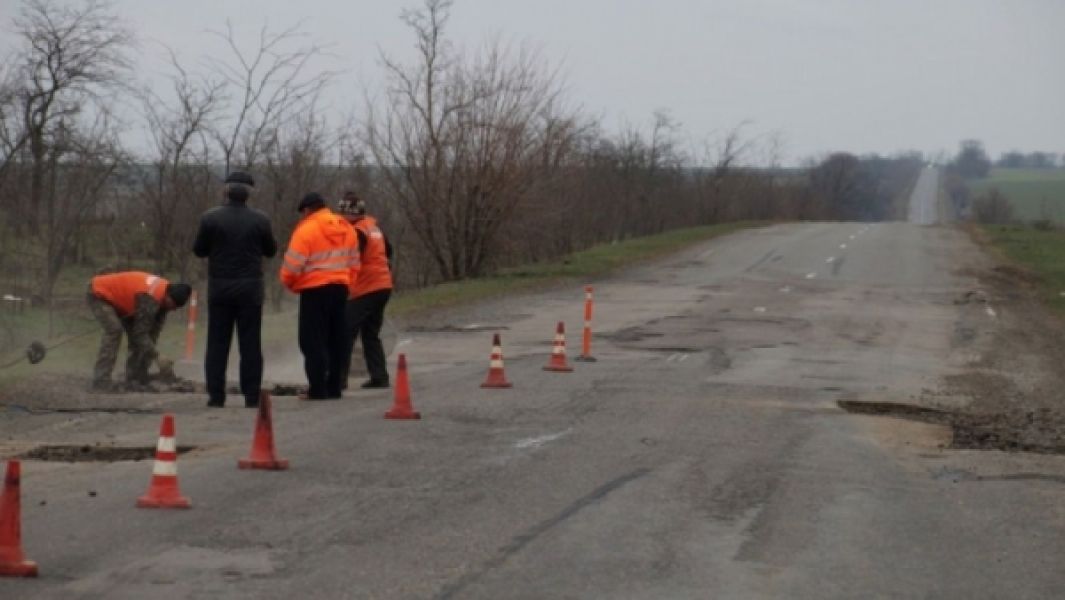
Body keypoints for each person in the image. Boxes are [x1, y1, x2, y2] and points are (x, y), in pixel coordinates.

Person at [192, 171, 278, 408]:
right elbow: (270, 251)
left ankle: (216, 395)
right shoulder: (261, 220)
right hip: (250, 289)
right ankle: (251, 396)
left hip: (220, 288)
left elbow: (199, 250)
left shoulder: (210, 218)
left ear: (226, 192)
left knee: (217, 343)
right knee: (250, 343)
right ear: (249, 194)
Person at [280, 192, 359, 400]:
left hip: (314, 291)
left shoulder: (306, 230)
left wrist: (291, 284)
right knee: (336, 339)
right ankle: (334, 387)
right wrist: (347, 284)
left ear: (307, 210)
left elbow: (292, 266)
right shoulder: (346, 228)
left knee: (312, 341)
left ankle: (317, 388)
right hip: (340, 288)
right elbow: (354, 264)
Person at [87, 271, 191, 391]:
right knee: (114, 330)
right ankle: (101, 381)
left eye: (176, 308)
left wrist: (150, 362)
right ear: (168, 296)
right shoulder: (150, 298)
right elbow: (140, 334)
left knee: (139, 339)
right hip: (99, 292)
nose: (173, 309)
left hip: (126, 302)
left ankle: (135, 376)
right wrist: (157, 356)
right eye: (173, 305)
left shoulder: (164, 300)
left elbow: (152, 334)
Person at [337, 192, 394, 389]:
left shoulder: (357, 232)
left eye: (342, 213)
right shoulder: (374, 228)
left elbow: (352, 259)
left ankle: (338, 379)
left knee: (345, 332)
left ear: (349, 213)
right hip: (383, 285)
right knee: (371, 333)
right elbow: (389, 252)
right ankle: (379, 376)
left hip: (366, 288)